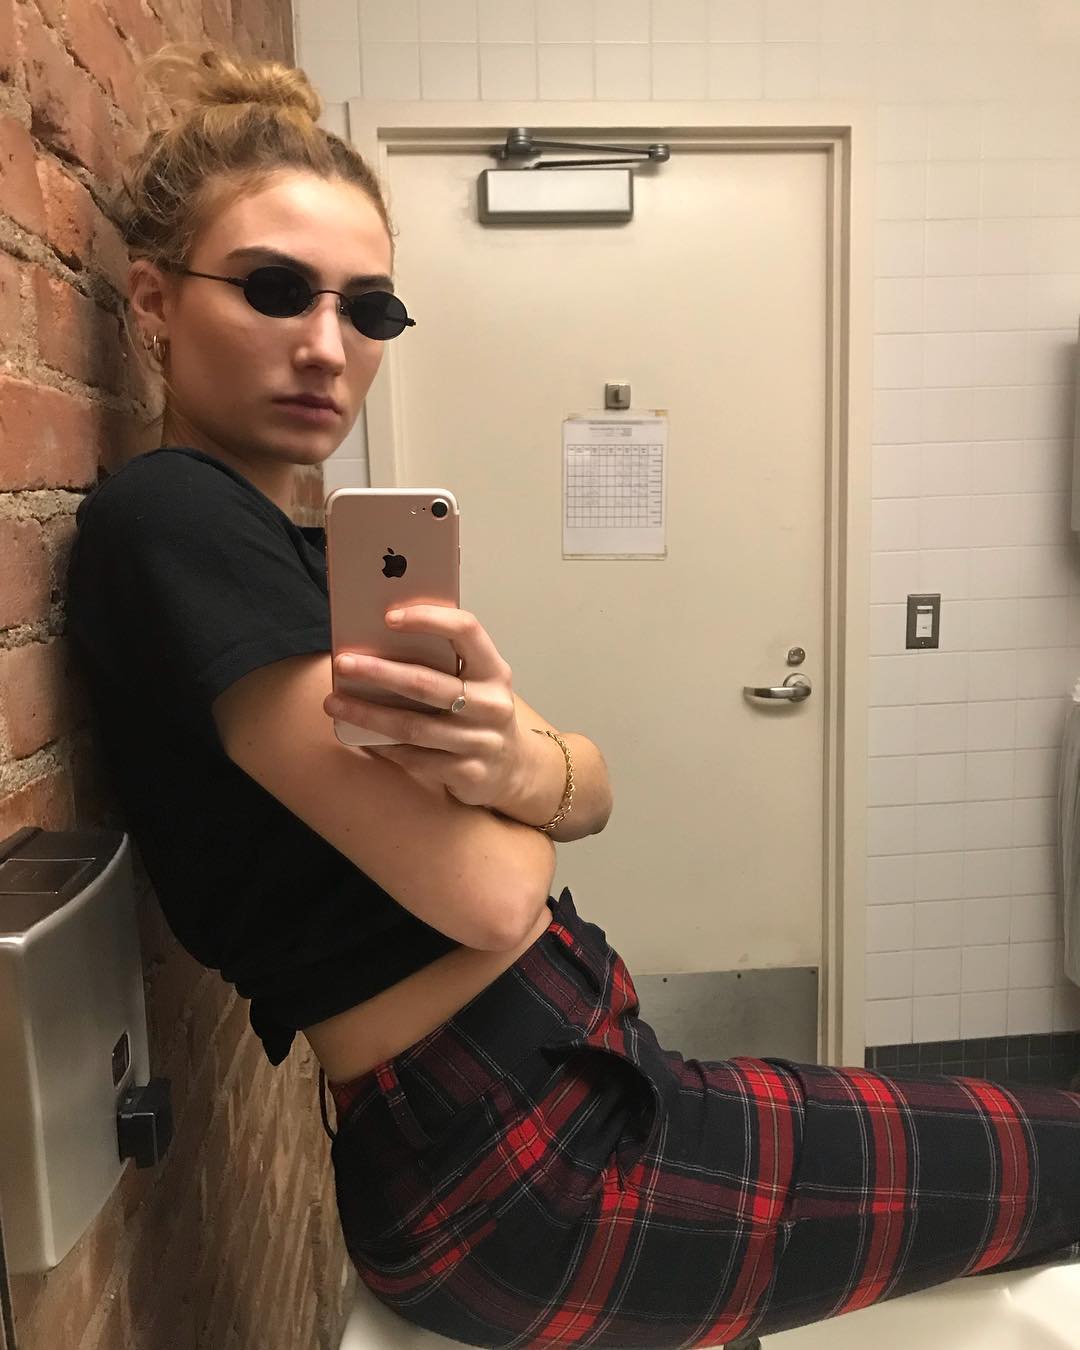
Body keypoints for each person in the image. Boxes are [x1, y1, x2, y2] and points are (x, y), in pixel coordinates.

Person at [64, 43, 1080, 1348]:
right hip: (518, 1177)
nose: (326, 346)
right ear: (153, 298)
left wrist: (521, 773)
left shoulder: (302, 556)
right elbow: (496, 893)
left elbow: (591, 784)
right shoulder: (172, 520)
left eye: (369, 309)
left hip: (578, 1103)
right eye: (273, 289)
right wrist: (528, 788)